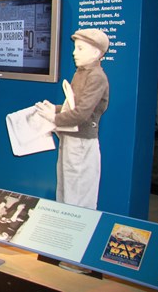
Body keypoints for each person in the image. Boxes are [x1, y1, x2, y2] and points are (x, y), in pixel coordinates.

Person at [35, 28, 110, 210]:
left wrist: (54, 118)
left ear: (95, 52)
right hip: (70, 139)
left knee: (79, 194)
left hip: (82, 141)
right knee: (66, 189)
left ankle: (76, 232)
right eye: (76, 48)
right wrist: (55, 109)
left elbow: (82, 114)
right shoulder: (81, 73)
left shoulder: (96, 77)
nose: (74, 53)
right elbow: (73, 106)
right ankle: (64, 231)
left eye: (80, 48)